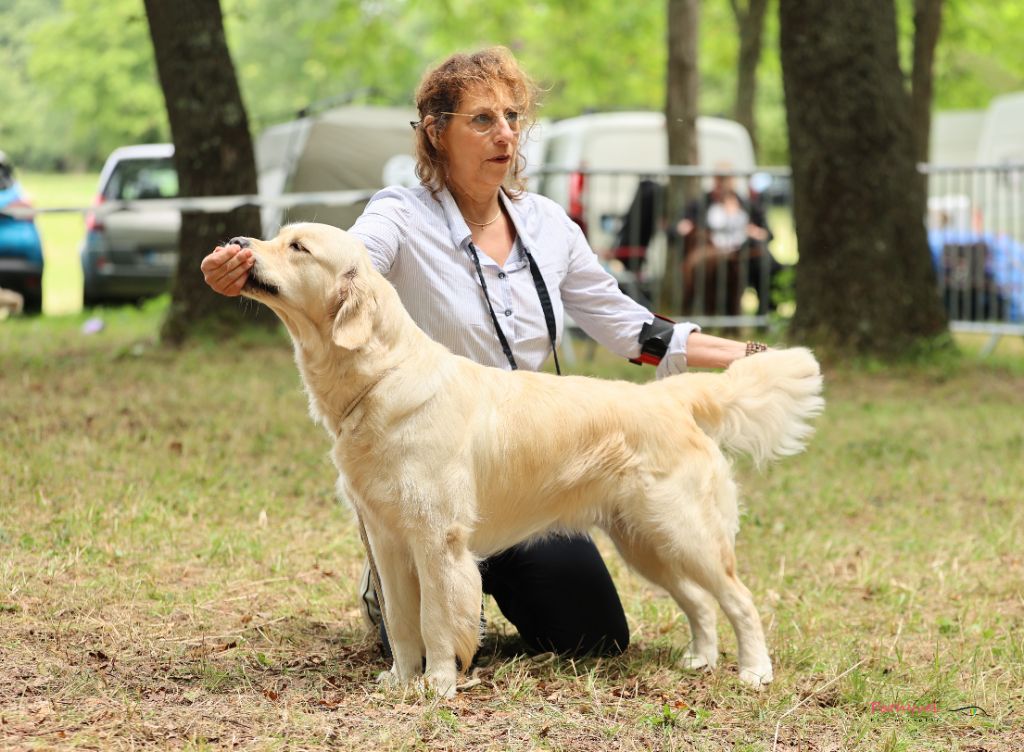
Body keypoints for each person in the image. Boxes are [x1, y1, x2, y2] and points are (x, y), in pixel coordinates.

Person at [201, 47, 768, 661]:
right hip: (433, 456)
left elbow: (630, 327)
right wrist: (258, 270)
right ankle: (402, 576)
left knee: (594, 638)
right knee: (426, 559)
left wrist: (746, 353)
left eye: (513, 117)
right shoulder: (399, 215)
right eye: (482, 120)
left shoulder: (549, 225)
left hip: (524, 466)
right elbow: (347, 264)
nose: (505, 135)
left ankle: (476, 577)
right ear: (437, 133)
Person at [674, 170, 780, 317]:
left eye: (726, 178)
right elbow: (680, 228)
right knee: (714, 266)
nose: (723, 183)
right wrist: (684, 227)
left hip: (743, 253)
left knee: (768, 264)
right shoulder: (700, 204)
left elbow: (768, 234)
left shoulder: (747, 205)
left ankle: (766, 316)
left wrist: (755, 232)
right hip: (713, 254)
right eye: (719, 178)